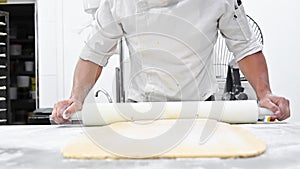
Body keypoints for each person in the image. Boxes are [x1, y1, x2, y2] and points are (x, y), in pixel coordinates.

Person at [51, 0, 290, 124]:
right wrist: (76, 98)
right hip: (140, 111)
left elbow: (245, 47)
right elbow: (94, 52)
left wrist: (264, 93)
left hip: (202, 109)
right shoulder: (118, 2)